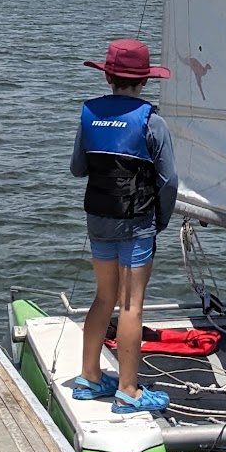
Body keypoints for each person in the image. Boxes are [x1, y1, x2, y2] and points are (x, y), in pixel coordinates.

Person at [69, 38, 178, 414]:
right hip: (137, 223)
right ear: (144, 81)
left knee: (104, 296)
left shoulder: (89, 113)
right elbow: (169, 181)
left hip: (97, 218)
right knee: (131, 304)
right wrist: (160, 220)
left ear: (108, 78)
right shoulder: (153, 121)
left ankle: (89, 378)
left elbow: (77, 169)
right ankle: (129, 390)